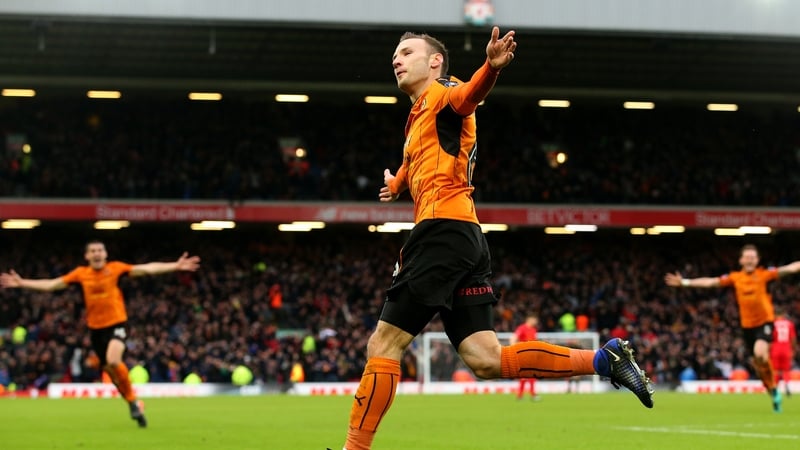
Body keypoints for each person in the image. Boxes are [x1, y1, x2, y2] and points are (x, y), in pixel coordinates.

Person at [338, 27, 653, 450]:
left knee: (384, 342)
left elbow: (469, 96)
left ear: (435, 62)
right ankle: (604, 358)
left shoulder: (444, 92)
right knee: (486, 359)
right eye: (394, 54)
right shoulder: (418, 115)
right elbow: (422, 160)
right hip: (465, 236)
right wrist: (398, 183)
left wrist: (490, 67)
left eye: (407, 52)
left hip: (440, 234)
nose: (396, 59)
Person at [0, 240, 201, 427]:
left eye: (100, 250)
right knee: (113, 373)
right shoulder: (80, 274)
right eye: (93, 251)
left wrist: (174, 265)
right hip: (96, 330)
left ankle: (132, 401)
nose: (97, 254)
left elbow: (146, 269)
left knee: (114, 361)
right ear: (87, 256)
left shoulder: (115, 269)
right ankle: (132, 403)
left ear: (105, 254)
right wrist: (23, 283)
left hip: (117, 324)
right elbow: (53, 284)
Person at [664, 244, 800, 412]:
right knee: (758, 364)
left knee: (760, 354)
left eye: (753, 257)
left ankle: (773, 387)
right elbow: (711, 282)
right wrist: (685, 282)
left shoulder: (764, 274)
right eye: (747, 257)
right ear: (741, 260)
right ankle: (772, 389)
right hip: (747, 327)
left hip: (765, 323)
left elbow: (790, 268)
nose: (750, 260)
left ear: (757, 260)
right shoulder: (736, 277)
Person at [509, 313, 540, 401]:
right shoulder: (522, 328)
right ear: (529, 319)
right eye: (535, 320)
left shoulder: (534, 330)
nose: (536, 322)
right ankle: (531, 394)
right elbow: (513, 338)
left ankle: (521, 395)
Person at [770, 306, 797, 397]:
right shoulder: (790, 324)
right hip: (786, 348)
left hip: (776, 348)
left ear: (776, 315)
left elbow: (771, 338)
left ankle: (775, 389)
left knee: (776, 370)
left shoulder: (773, 324)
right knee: (786, 370)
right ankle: (787, 385)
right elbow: (793, 339)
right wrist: (793, 349)